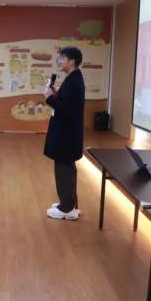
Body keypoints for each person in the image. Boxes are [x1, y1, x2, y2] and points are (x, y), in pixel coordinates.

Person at [43, 47, 85, 220]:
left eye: (62, 58)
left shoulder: (74, 82)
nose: (58, 61)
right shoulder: (73, 78)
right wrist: (55, 94)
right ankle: (70, 205)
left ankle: (66, 208)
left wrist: (49, 98)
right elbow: (67, 103)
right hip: (67, 134)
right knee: (67, 169)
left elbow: (68, 110)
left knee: (63, 170)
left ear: (71, 61)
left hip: (66, 135)